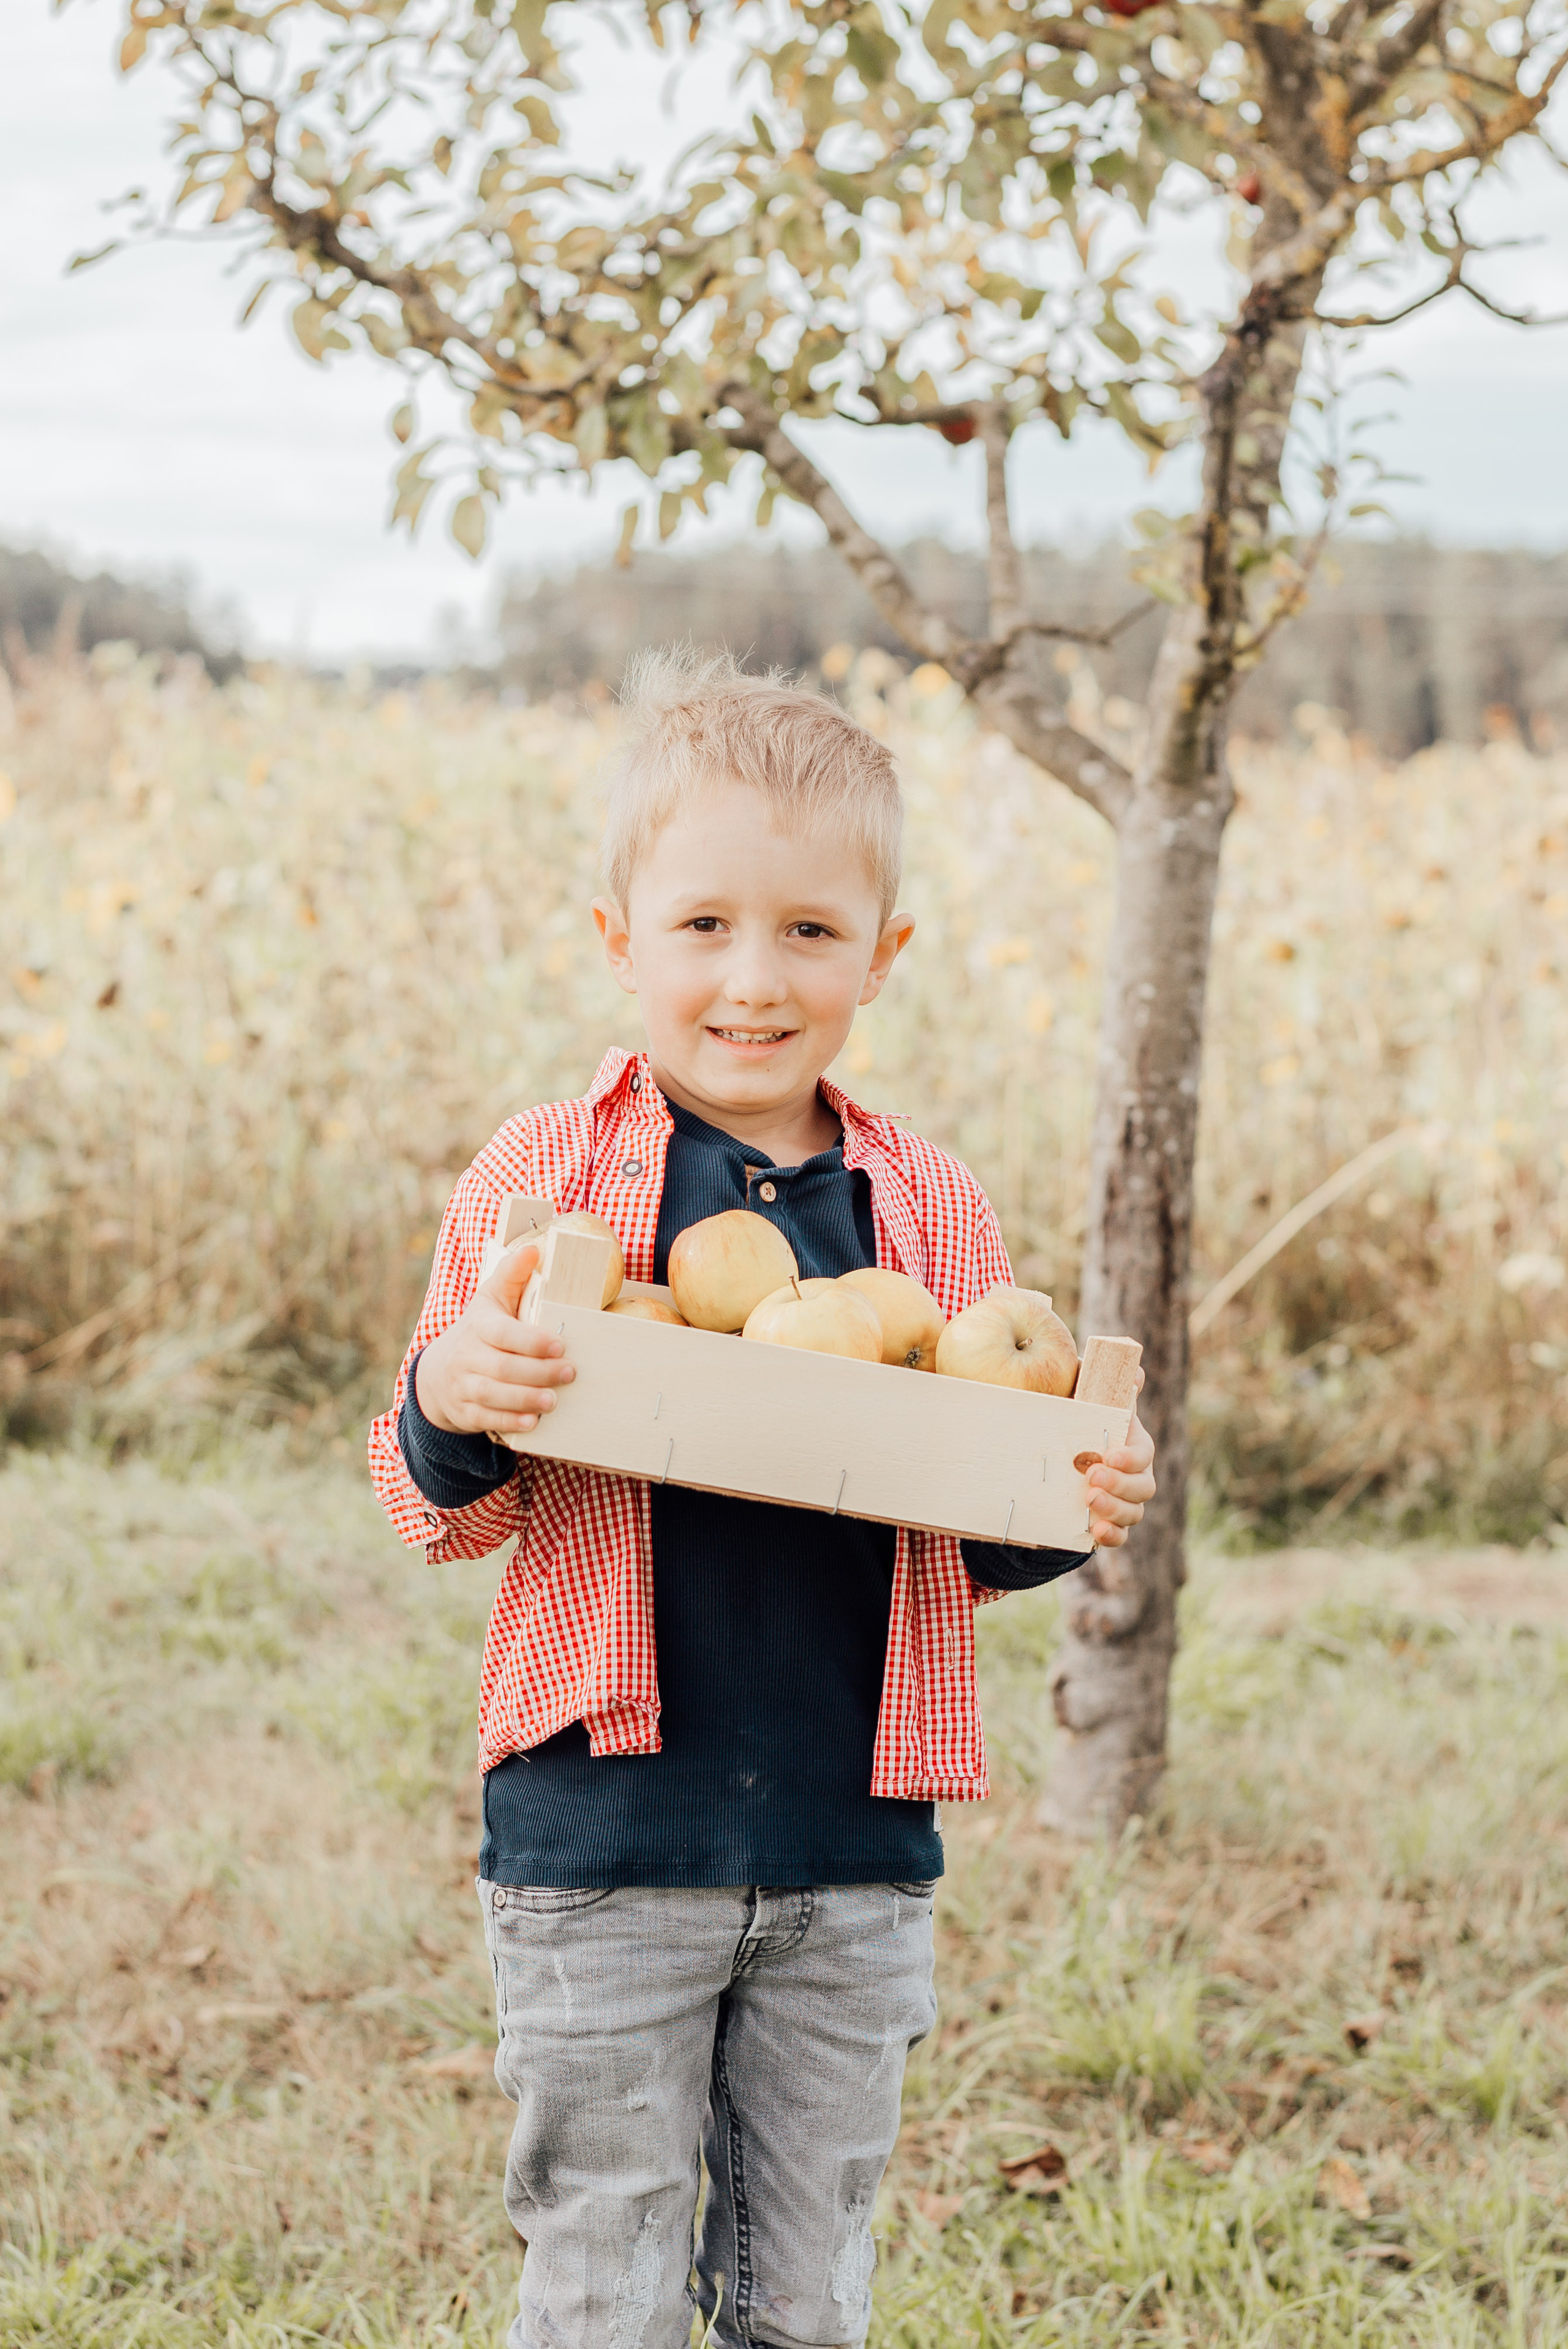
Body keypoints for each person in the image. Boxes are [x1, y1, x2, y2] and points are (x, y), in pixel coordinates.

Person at [369, 649, 1156, 2349]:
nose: (754, 975)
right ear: (618, 941)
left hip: (849, 1839)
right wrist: (456, 1394)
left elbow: (989, 1523)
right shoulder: (544, 1180)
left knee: (808, 2292)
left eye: (810, 930)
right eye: (705, 923)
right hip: (603, 1832)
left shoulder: (926, 1207)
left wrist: (1069, 1484)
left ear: (884, 954)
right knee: (608, 2272)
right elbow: (439, 1496)